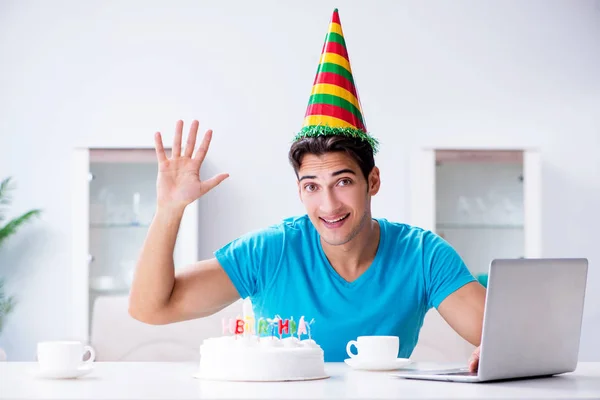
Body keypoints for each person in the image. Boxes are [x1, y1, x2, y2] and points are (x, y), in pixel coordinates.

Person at [128, 9, 485, 370]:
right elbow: (150, 309)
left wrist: (496, 349)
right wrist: (169, 210)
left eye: (343, 182)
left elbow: (495, 334)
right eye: (311, 186)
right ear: (299, 191)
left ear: (372, 181)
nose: (328, 205)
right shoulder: (269, 252)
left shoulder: (422, 256)